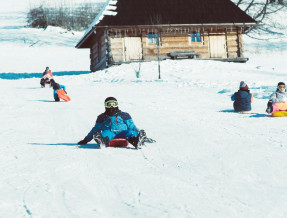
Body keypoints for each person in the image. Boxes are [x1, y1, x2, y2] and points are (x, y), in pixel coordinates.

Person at [77, 97, 146, 149]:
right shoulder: (102, 117)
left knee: (130, 132)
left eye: (113, 104)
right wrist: (86, 140)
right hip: (110, 133)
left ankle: (137, 141)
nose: (112, 106)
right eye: (109, 104)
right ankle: (103, 141)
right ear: (106, 105)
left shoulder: (124, 115)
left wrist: (139, 134)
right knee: (104, 133)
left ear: (117, 104)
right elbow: (96, 129)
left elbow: (132, 126)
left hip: (123, 132)